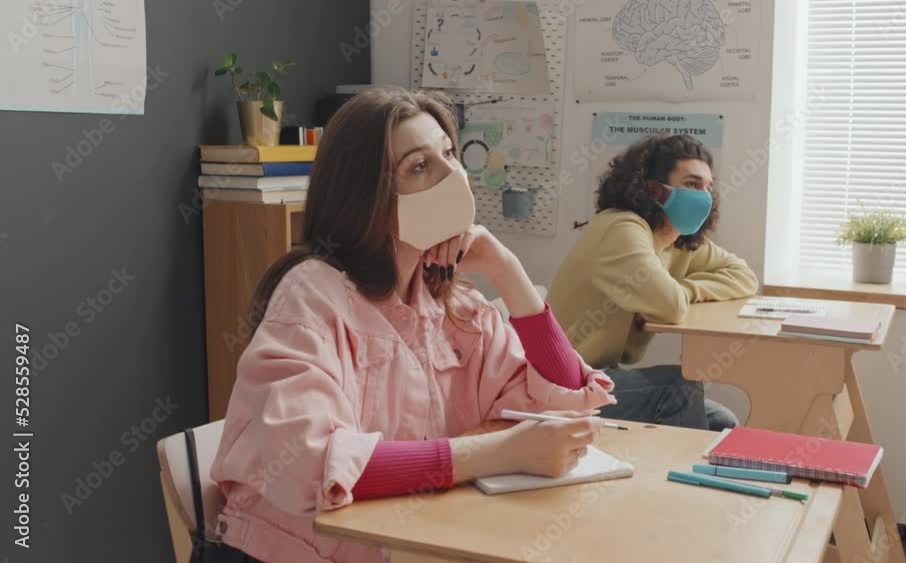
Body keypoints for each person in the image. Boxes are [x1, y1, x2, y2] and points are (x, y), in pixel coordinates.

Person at [209, 87, 615, 563]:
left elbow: (564, 399)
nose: (452, 175)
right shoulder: (311, 294)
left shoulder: (453, 304)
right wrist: (502, 452)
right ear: (366, 196)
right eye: (419, 166)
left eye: (449, 154)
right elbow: (312, 463)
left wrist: (508, 272)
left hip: (411, 543)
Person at [547, 134, 758, 431]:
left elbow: (744, 276)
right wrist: (676, 294)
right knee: (679, 389)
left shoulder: (675, 240)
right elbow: (670, 306)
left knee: (722, 423)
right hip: (560, 385)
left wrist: (686, 289)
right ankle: (672, 463)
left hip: (599, 375)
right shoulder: (620, 227)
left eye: (708, 187)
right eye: (692, 185)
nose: (704, 197)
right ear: (655, 190)